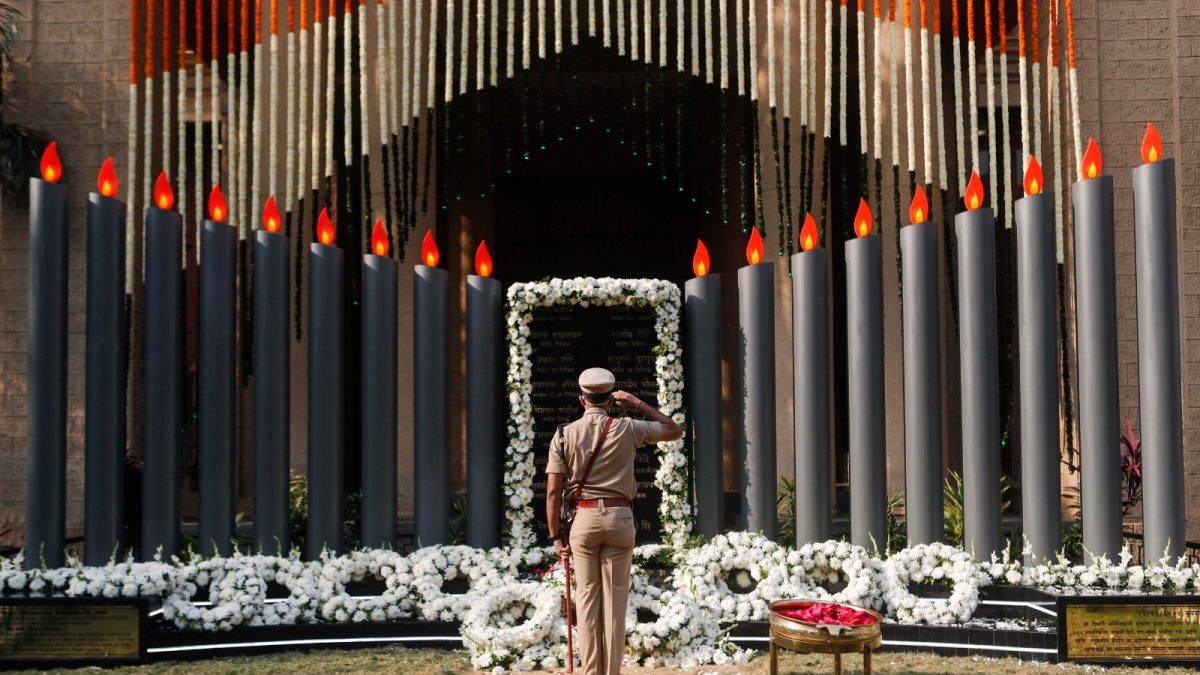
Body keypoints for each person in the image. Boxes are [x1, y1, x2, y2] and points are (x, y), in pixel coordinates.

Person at [545, 367, 683, 675]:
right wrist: (637, 404)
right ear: (611, 400)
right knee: (615, 600)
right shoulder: (628, 428)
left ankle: (592, 671)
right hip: (620, 518)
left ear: (583, 400)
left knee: (587, 598)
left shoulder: (564, 434)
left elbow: (553, 491)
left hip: (584, 520)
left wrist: (556, 536)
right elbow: (674, 430)